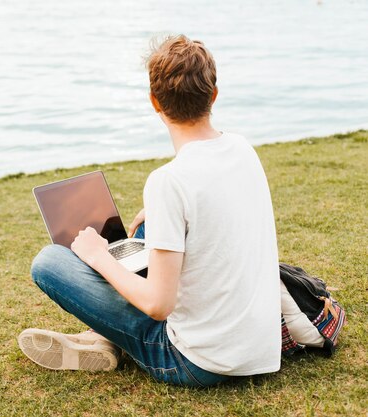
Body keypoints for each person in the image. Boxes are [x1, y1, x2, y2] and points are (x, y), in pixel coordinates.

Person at [18, 35, 281, 387]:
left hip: (196, 361)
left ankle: (107, 336)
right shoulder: (242, 148)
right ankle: (106, 337)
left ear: (154, 102)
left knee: (49, 262)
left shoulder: (169, 181)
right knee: (145, 233)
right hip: (259, 347)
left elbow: (159, 306)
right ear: (213, 95)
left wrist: (100, 258)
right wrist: (163, 213)